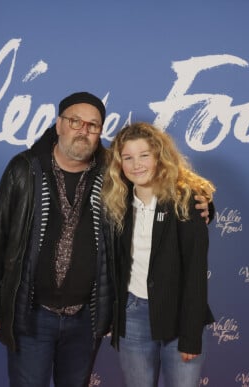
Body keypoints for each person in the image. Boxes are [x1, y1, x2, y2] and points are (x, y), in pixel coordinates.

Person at [0, 92, 211, 387]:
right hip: (32, 314)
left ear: (100, 132)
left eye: (92, 125)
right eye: (75, 121)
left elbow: (160, 180)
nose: (83, 130)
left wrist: (200, 202)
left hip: (86, 318)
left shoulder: (111, 173)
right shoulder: (24, 169)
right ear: (59, 124)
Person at [101, 122, 215, 387]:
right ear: (119, 164)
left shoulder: (186, 201)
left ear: (159, 158)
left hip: (180, 319)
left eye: (144, 155)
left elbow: (196, 274)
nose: (136, 164)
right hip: (133, 316)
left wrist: (191, 335)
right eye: (127, 157)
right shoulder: (116, 202)